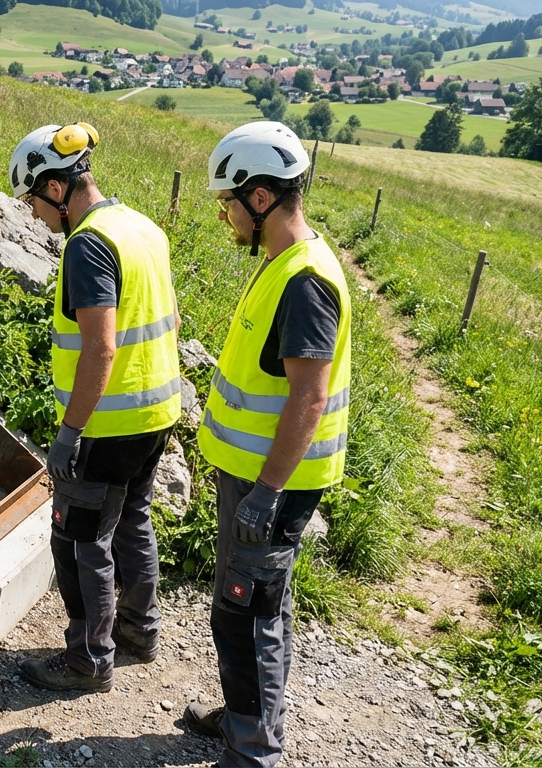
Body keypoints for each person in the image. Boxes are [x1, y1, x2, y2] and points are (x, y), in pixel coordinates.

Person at [184, 121, 352, 768]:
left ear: (259, 199)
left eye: (227, 201)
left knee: (244, 611)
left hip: (270, 486)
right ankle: (244, 716)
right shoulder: (286, 262)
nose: (224, 215)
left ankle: (253, 750)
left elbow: (308, 398)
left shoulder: (305, 280)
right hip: (256, 476)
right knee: (258, 605)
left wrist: (266, 494)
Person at [7, 123, 182, 691]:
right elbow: (170, 324)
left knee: (81, 537)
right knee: (132, 519)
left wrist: (70, 431)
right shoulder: (141, 228)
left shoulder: (88, 245)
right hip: (155, 415)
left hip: (105, 426)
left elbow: (101, 345)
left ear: (57, 190)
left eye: (33, 199)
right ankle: (138, 629)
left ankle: (88, 659)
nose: (33, 215)